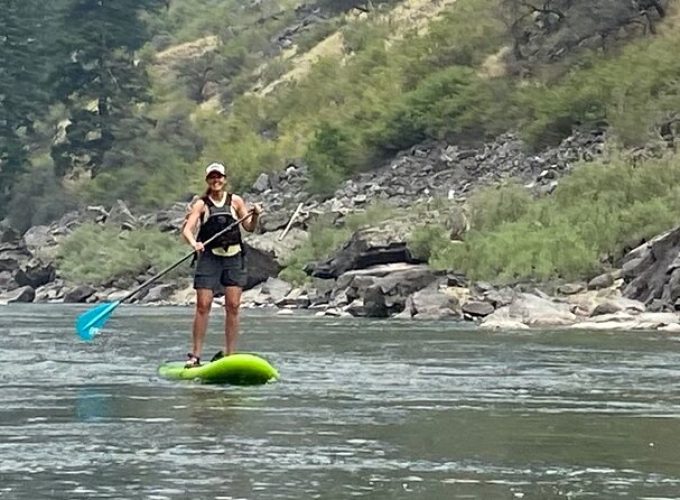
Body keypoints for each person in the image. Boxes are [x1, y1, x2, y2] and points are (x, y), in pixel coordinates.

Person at [181, 162, 262, 367]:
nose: (216, 181)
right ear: (208, 180)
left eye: (219, 177)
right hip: (210, 258)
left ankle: (230, 355)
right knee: (203, 305)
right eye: (212, 178)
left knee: (233, 306)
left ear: (224, 179)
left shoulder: (236, 201)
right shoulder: (201, 204)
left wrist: (256, 215)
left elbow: (249, 228)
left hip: (234, 258)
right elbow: (188, 230)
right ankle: (196, 355)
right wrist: (194, 243)